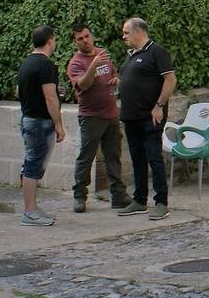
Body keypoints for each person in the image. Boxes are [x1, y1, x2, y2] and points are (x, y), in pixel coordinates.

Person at [66, 23, 129, 213]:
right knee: (86, 158)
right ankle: (79, 196)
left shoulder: (104, 54)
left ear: (91, 35)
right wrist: (93, 64)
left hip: (110, 115)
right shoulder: (76, 63)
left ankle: (118, 196)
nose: (85, 40)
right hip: (91, 117)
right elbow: (83, 85)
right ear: (75, 42)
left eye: (87, 36)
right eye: (80, 38)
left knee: (113, 156)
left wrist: (116, 80)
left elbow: (113, 74)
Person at [117, 17, 175, 221]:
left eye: (126, 32)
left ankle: (161, 202)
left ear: (138, 31)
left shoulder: (156, 52)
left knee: (154, 158)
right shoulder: (131, 55)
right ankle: (140, 200)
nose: (123, 36)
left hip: (149, 116)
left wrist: (159, 105)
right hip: (131, 116)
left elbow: (170, 80)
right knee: (137, 158)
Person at [16, 25, 66, 226]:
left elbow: (19, 91)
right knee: (33, 166)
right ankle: (29, 211)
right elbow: (50, 97)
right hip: (39, 122)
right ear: (50, 41)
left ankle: (32, 208)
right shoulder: (45, 65)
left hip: (28, 118)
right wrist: (59, 124)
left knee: (31, 163)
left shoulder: (26, 63)